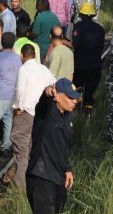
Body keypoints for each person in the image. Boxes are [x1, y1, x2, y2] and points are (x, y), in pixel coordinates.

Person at [26, 78, 80, 214]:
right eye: (70, 97)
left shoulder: (67, 117)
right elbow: (43, 103)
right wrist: (47, 92)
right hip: (41, 176)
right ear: (58, 97)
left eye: (75, 98)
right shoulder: (46, 112)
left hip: (58, 177)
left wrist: (67, 169)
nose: (75, 101)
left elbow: (63, 147)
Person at [11, 43, 56, 188]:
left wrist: (19, 107)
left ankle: (20, 185)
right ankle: (34, 182)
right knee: (34, 148)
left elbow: (20, 90)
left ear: (22, 56)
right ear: (35, 55)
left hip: (26, 112)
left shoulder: (24, 69)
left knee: (21, 148)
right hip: (41, 114)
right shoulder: (43, 69)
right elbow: (54, 83)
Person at [71, 0, 105, 115]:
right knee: (90, 92)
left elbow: (75, 44)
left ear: (81, 14)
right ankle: (88, 115)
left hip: (80, 65)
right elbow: (101, 48)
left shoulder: (78, 27)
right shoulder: (100, 29)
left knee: (78, 88)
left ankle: (77, 111)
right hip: (95, 65)